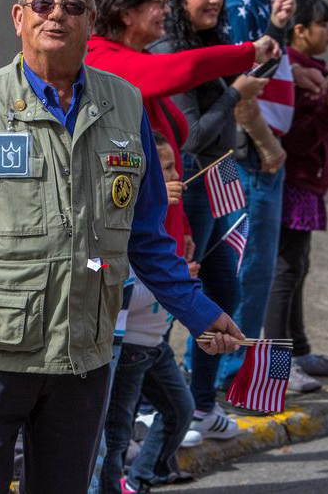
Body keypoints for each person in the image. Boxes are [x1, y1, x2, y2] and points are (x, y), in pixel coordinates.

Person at [0, 0, 245, 493]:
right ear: (18, 18)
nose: (57, 15)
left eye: (73, 6)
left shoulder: (126, 104)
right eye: (43, 4)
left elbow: (145, 235)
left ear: (91, 21)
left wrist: (198, 310)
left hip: (82, 354)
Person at [148, 0, 285, 439]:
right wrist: (234, 96)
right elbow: (190, 137)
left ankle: (202, 407)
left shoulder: (210, 43)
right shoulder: (171, 51)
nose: (215, 0)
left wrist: (277, 27)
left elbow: (255, 70)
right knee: (173, 299)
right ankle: (154, 408)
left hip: (218, 179)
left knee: (225, 293)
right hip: (190, 182)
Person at [85, 0, 279, 261]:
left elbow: (170, 160)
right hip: (131, 247)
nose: (167, 10)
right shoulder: (102, 60)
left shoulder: (138, 58)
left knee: (224, 283)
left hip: (164, 232)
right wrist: (249, 52)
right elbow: (186, 69)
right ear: (126, 12)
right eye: (158, 3)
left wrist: (184, 226)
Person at [214, 0, 297, 391]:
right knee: (247, 268)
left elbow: (266, 65)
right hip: (253, 155)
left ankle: (232, 376)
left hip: (260, 154)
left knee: (253, 267)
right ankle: (232, 378)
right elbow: (240, 86)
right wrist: (266, 145)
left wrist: (279, 26)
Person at [101, 134, 197, 494]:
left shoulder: (169, 215)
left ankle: (139, 480)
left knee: (180, 410)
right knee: (115, 432)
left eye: (175, 167)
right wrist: (175, 283)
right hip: (128, 346)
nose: (176, 177)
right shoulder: (127, 216)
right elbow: (122, 289)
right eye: (166, 169)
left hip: (156, 342)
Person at [264, 0, 328, 392]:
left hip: (306, 183)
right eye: (323, 25)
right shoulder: (292, 73)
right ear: (299, 30)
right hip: (289, 182)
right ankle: (278, 364)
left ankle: (299, 349)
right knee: (284, 272)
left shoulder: (311, 70)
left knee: (298, 267)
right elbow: (296, 140)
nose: (327, 33)